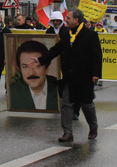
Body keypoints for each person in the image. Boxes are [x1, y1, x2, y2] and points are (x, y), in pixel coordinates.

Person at [34, 9, 102, 142]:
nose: (66, 21)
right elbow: (56, 49)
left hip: (84, 76)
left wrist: (96, 73)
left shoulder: (90, 34)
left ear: (77, 20)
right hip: (69, 75)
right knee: (66, 103)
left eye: (69, 18)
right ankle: (67, 132)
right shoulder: (66, 33)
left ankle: (93, 127)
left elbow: (97, 55)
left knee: (86, 104)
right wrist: (41, 60)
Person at [9, 41, 58, 110]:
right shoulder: (13, 92)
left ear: (46, 68)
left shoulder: (60, 89)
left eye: (37, 66)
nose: (31, 73)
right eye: (25, 67)